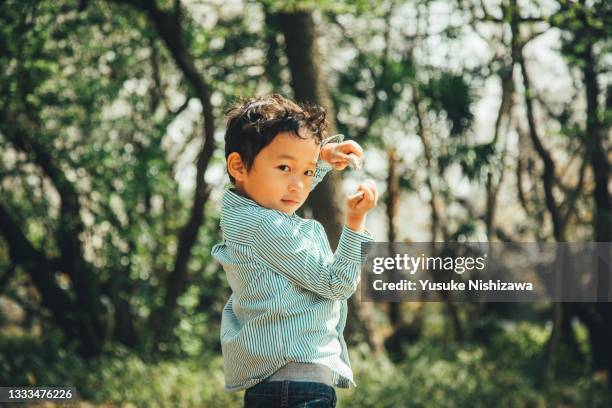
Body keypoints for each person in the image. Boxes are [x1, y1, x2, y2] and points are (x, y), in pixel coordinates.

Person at [211, 94, 377, 407]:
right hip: (295, 390)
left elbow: (283, 191)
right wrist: (354, 224)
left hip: (280, 387)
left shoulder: (245, 212)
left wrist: (321, 158)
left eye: (306, 172)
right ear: (238, 166)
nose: (298, 185)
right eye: (285, 167)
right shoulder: (266, 228)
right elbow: (336, 284)